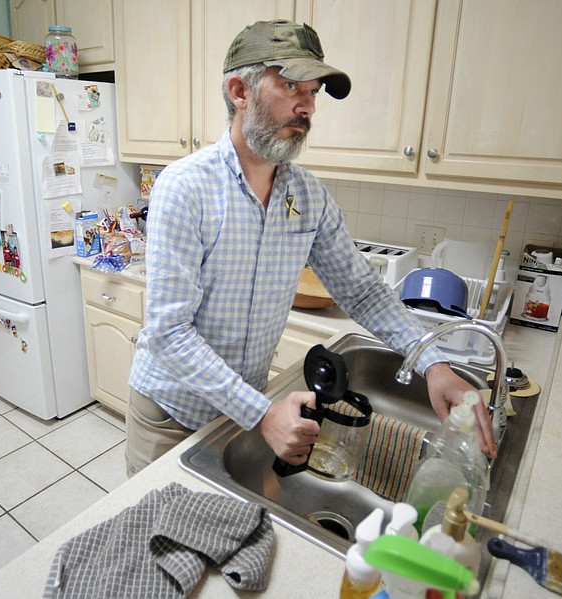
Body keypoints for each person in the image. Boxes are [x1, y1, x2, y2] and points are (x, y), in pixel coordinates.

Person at [125, 19, 496, 478]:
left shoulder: (309, 196)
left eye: (314, 91)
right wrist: (261, 413)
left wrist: (432, 361)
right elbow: (169, 332)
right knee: (159, 536)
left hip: (245, 407)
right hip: (171, 414)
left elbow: (361, 291)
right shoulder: (185, 189)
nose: (308, 107)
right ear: (240, 91)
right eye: (291, 87)